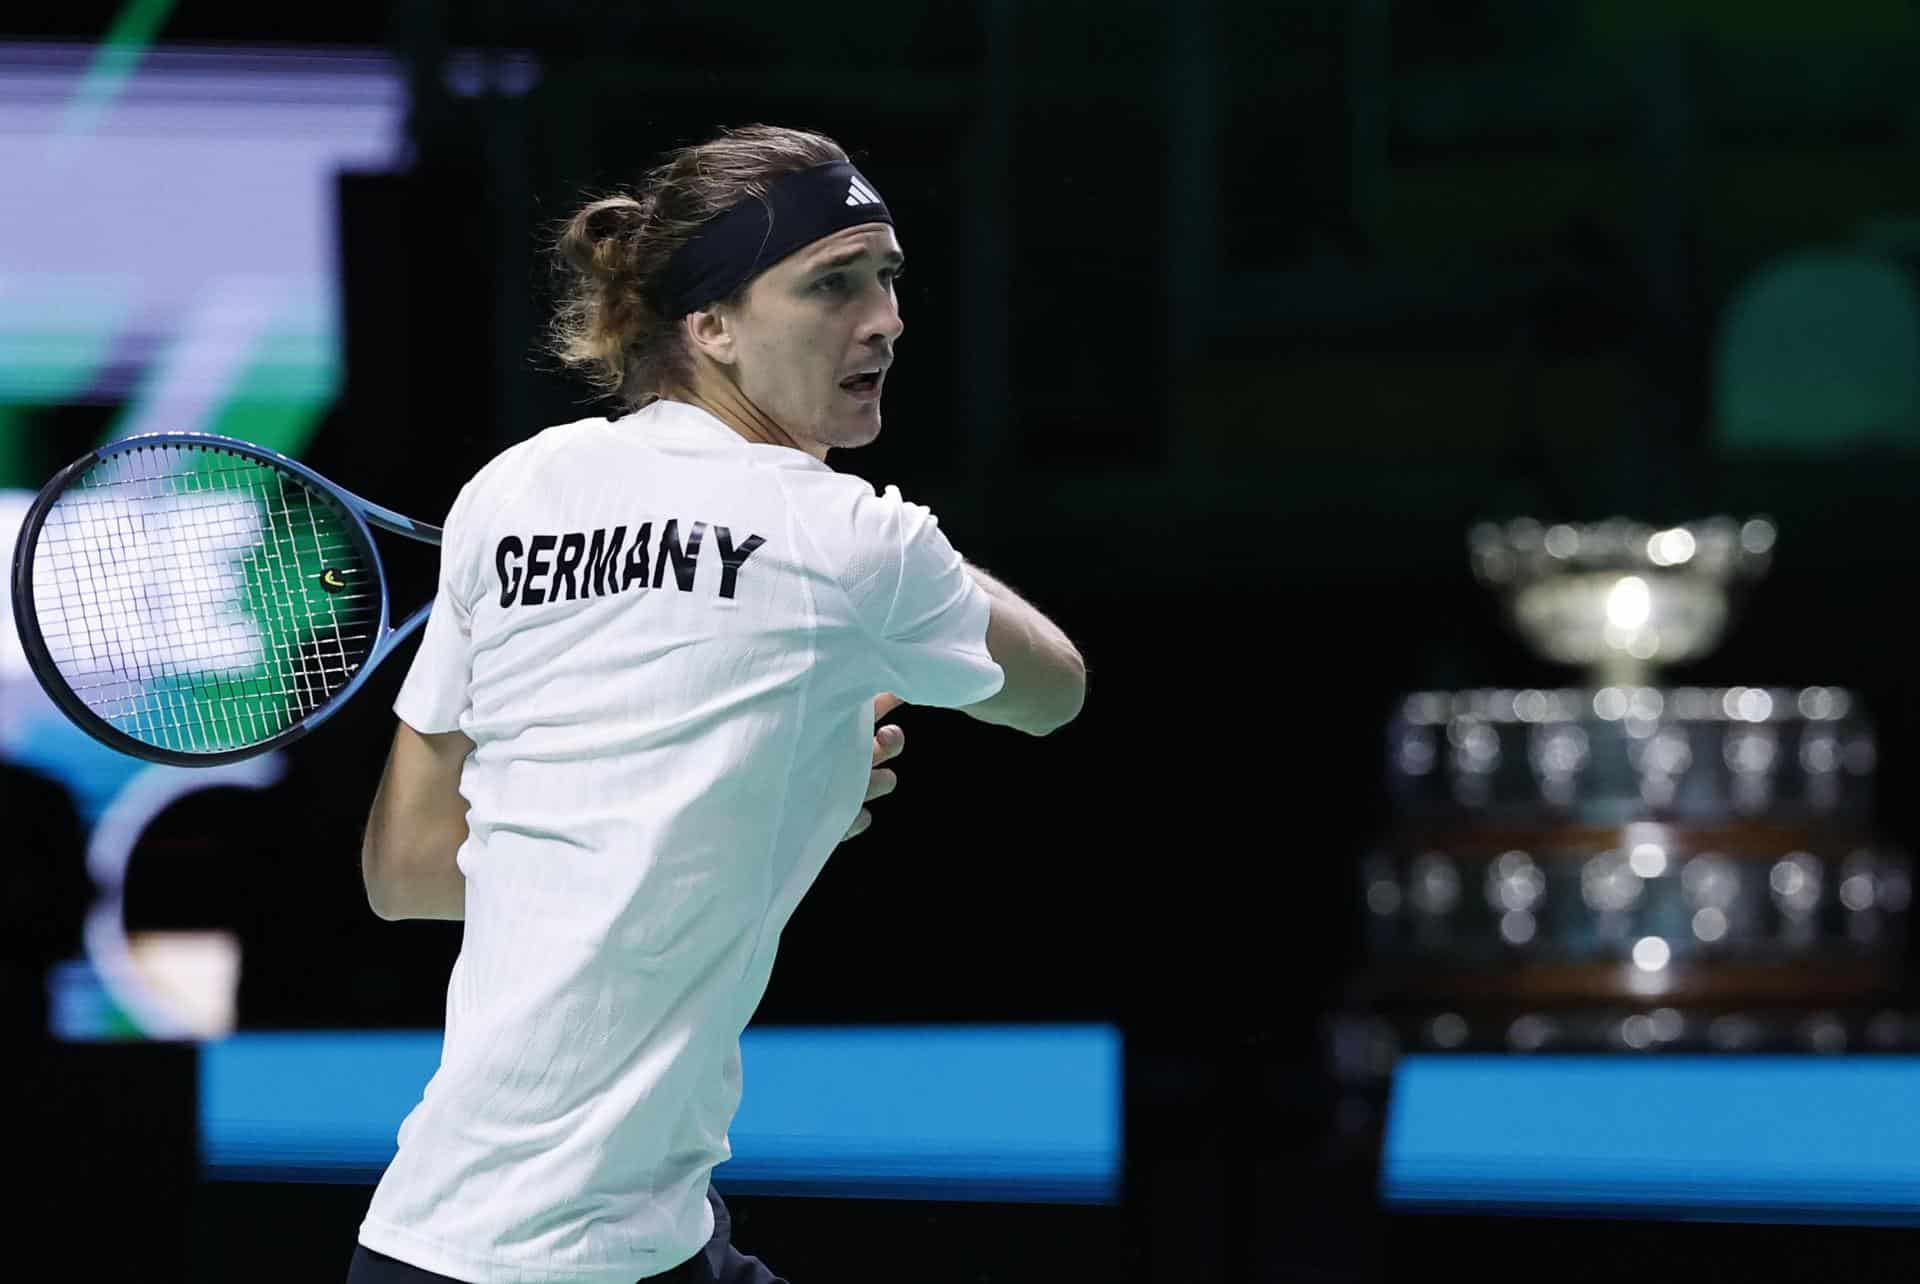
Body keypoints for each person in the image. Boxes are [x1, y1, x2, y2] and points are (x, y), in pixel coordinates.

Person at [347, 123, 1087, 1284]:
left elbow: (410, 873)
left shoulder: (512, 490)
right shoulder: (852, 539)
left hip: (477, 1241)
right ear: (711, 328)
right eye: (832, 283)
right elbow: (1053, 690)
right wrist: (901, 568)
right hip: (561, 1262)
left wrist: (750, 805)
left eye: (886, 277)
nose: (884, 317)